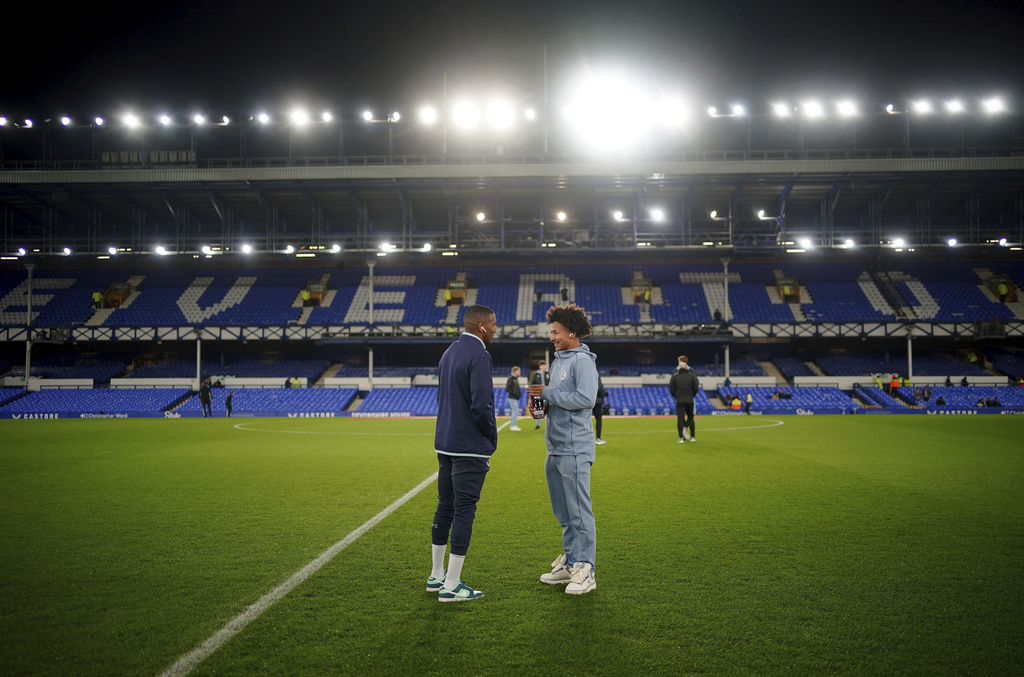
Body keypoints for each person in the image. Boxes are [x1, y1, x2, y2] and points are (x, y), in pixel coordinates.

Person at [527, 303, 599, 595]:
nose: (552, 337)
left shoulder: (582, 361)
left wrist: (548, 393)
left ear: (571, 331)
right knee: (564, 514)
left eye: (556, 332)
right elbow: (557, 398)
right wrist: (540, 407)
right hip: (554, 449)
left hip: (574, 449)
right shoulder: (558, 361)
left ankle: (587, 568)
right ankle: (571, 563)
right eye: (551, 332)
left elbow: (585, 398)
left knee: (579, 513)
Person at [428, 305, 499, 602]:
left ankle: (436, 575)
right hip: (468, 446)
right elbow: (481, 405)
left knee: (446, 506)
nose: (496, 329)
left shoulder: (449, 352)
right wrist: (491, 435)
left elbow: (440, 396)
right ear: (481, 327)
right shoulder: (479, 355)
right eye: (493, 324)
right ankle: (453, 584)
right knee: (464, 510)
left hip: (444, 441)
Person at [669, 355, 699, 444]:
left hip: (680, 398)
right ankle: (691, 435)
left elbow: (672, 387)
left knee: (681, 418)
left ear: (681, 361)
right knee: (691, 416)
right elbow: (695, 386)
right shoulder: (691, 372)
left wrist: (676, 396)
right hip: (689, 398)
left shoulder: (676, 372)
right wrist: (692, 395)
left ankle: (682, 433)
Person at [531, 361, 550, 429]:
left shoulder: (548, 374)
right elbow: (533, 383)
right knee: (538, 408)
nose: (544, 367)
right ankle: (538, 424)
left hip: (547, 393)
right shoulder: (536, 374)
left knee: (548, 408)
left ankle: (548, 424)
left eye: (545, 365)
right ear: (540, 366)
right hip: (538, 393)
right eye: (543, 366)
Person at [506, 366, 522, 431]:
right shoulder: (511, 379)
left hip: (515, 398)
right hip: (512, 398)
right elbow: (508, 388)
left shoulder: (515, 379)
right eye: (519, 371)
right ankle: (513, 425)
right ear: (515, 372)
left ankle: (513, 425)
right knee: (514, 411)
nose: (520, 373)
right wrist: (514, 394)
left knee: (515, 411)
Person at [593, 375, 607, 445]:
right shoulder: (596, 375)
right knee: (598, 419)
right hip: (597, 401)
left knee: (584, 419)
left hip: (587, 400)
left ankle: (582, 439)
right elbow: (599, 388)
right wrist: (603, 394)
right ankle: (598, 438)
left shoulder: (585, 374)